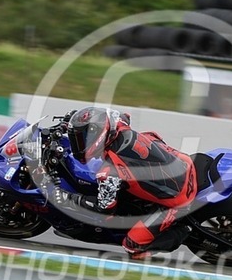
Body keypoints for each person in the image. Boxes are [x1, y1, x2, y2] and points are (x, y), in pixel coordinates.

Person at [50, 106, 197, 259]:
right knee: (148, 137)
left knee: (131, 246)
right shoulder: (118, 124)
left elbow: (104, 210)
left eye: (83, 138)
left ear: (97, 136)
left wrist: (69, 198)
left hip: (179, 197)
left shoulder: (111, 170)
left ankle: (183, 230)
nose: (78, 143)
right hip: (183, 163)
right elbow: (122, 116)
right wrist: (73, 121)